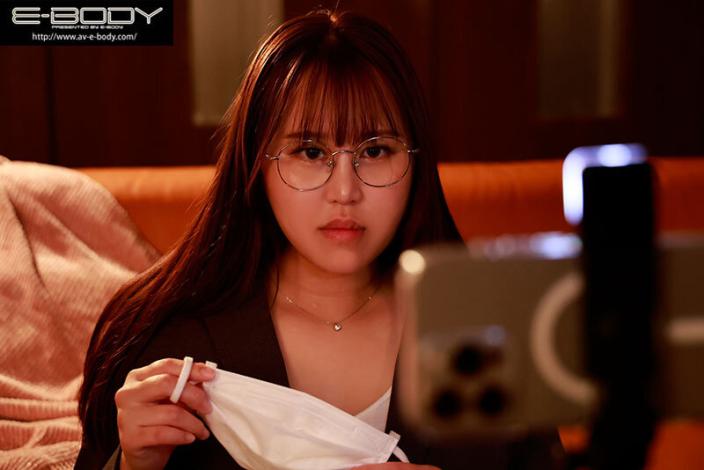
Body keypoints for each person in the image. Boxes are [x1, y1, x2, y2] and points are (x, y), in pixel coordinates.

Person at [76, 9, 562, 470]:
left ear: (416, 162)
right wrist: (133, 465)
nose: (344, 191)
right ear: (257, 165)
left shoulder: (491, 334)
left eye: (376, 150)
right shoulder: (162, 337)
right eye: (309, 152)